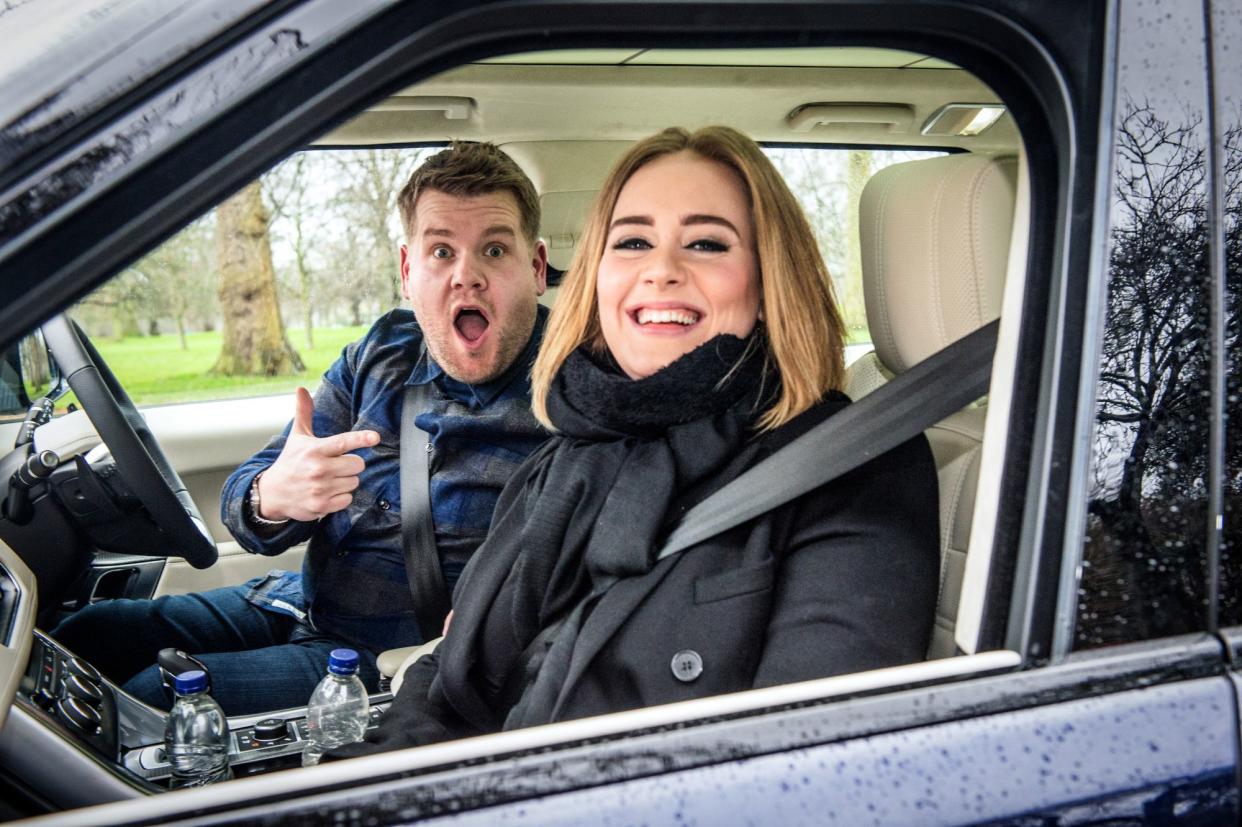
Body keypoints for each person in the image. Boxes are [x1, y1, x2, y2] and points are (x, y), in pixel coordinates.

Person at [329, 126, 939, 758]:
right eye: (633, 242)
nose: (661, 270)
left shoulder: (851, 468)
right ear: (599, 278)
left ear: (766, 281)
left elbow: (802, 770)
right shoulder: (562, 460)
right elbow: (448, 685)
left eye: (705, 243)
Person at [52, 142, 552, 715]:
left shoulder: (573, 398)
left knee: (151, 702)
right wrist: (275, 497)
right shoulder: (383, 351)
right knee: (87, 635)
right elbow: (252, 494)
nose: (467, 276)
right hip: (297, 601)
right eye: (442, 251)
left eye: (494, 249)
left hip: (391, 659)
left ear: (535, 268)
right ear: (409, 271)